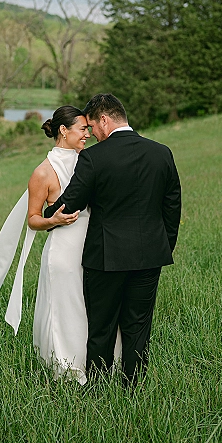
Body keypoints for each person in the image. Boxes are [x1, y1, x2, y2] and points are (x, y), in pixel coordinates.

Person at [44, 93, 181, 386]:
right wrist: (163, 247)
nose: (92, 134)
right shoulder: (162, 152)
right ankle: (133, 388)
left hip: (106, 258)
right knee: (138, 327)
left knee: (102, 327)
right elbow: (172, 206)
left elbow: (73, 200)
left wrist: (48, 213)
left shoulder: (94, 157)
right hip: (149, 257)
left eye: (92, 126)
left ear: (104, 120)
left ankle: (98, 390)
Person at [0, 105, 107, 384]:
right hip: (63, 249)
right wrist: (56, 221)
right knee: (68, 308)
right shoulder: (43, 173)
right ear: (64, 131)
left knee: (92, 306)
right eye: (82, 129)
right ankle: (66, 368)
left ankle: (97, 363)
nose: (87, 134)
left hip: (93, 245)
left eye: (89, 129)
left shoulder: (88, 161)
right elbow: (33, 220)